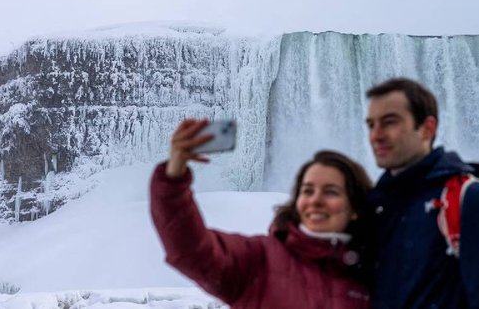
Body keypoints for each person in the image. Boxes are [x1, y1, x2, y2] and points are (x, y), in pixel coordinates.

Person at [150, 118, 372, 309]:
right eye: (307, 191)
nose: (315, 200)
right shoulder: (258, 260)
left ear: (355, 207)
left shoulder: (377, 276)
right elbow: (192, 250)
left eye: (330, 192)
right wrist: (173, 179)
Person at [363, 78, 479, 309]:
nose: (376, 135)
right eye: (371, 125)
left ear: (428, 128)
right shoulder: (376, 207)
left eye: (390, 122)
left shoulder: (472, 200)